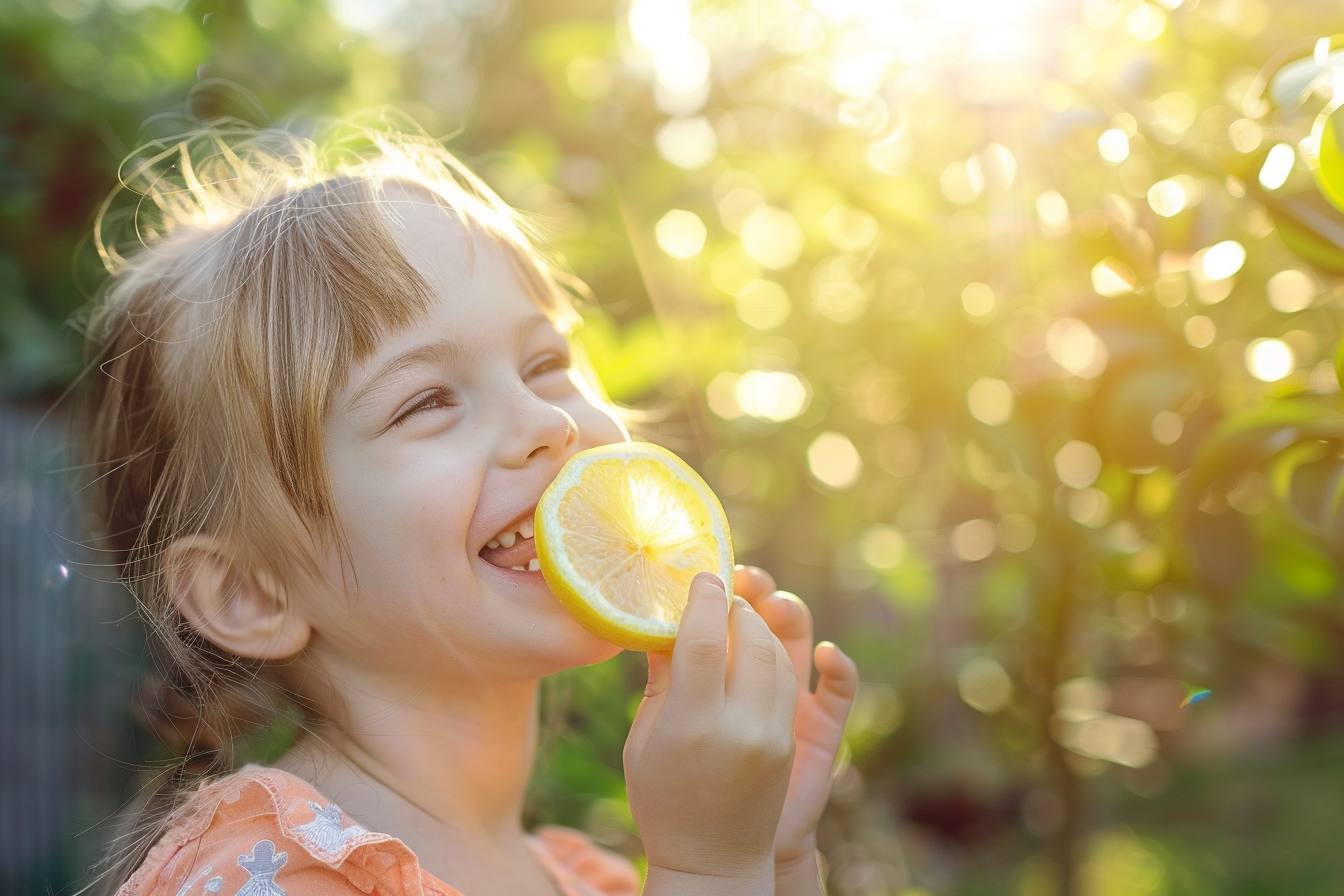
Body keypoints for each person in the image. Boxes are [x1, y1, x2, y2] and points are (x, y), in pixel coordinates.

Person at [79, 117, 859, 896]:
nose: (547, 423)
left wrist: (772, 853)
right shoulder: (271, 877)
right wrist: (709, 869)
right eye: (425, 401)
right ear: (247, 592)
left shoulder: (592, 883)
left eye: (546, 361)